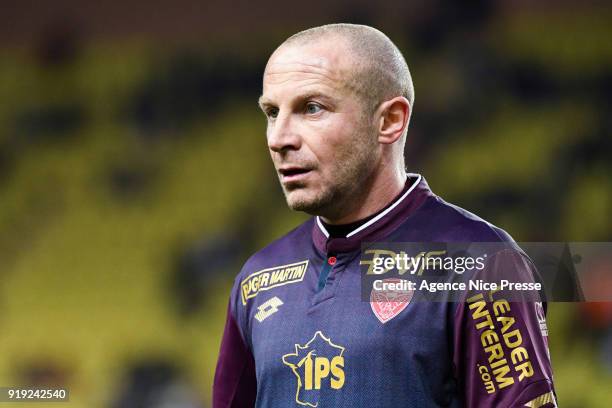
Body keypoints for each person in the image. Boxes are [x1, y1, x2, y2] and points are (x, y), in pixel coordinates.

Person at [213, 24, 556, 407]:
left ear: (390, 120)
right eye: (272, 112)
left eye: (312, 108)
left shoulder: (483, 264)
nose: (279, 138)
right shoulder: (257, 280)